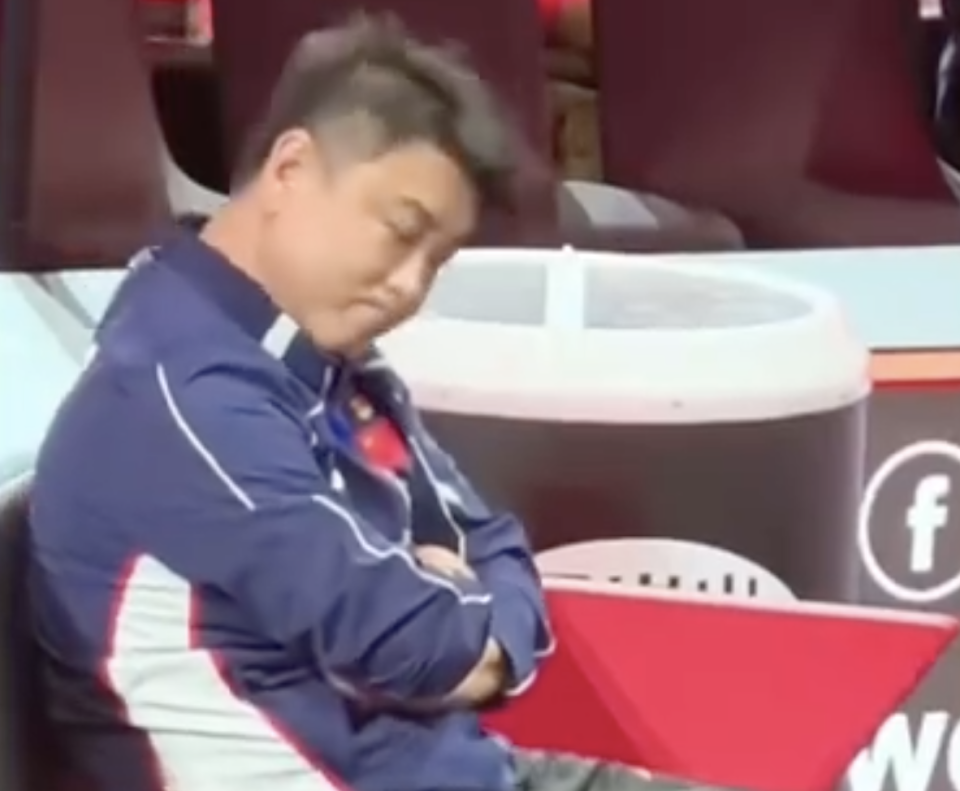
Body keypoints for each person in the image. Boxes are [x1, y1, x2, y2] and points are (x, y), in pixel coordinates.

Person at [28, 15, 731, 791]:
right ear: (292, 168)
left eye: (437, 259)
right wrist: (460, 607)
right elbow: (418, 647)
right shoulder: (182, 398)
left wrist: (465, 609)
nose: (409, 285)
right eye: (400, 232)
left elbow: (489, 538)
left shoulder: (320, 361)